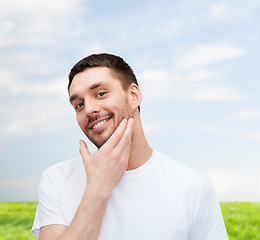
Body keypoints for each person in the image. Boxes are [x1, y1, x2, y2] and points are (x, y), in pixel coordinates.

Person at [31, 53, 228, 240]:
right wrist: (97, 188)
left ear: (133, 96)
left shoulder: (194, 187)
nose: (89, 109)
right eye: (79, 105)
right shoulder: (57, 179)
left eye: (100, 93)